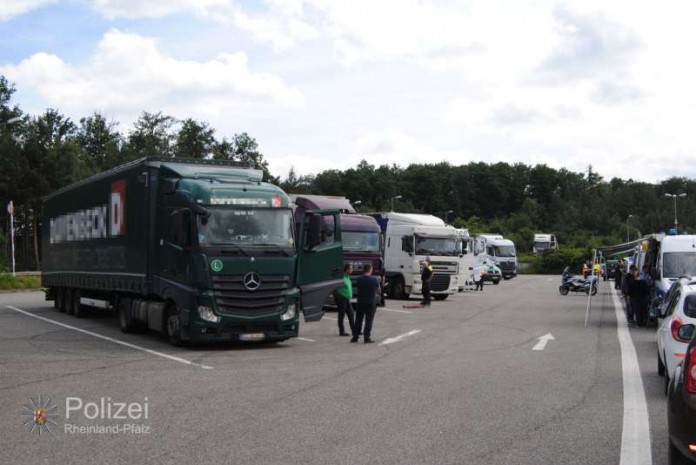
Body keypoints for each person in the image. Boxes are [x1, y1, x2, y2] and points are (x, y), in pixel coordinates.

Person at [352, 264, 381, 343]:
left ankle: (355, 336)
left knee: (358, 319)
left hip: (361, 301)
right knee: (369, 320)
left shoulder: (359, 279)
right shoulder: (374, 280)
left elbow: (358, 287)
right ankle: (366, 337)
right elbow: (379, 291)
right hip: (371, 302)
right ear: (370, 270)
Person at [334, 264, 355, 336]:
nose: (352, 270)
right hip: (341, 299)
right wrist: (340, 295)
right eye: (351, 269)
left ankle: (354, 330)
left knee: (351, 314)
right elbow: (336, 289)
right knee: (341, 315)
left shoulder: (348, 277)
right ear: (347, 270)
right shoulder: (342, 278)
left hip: (347, 299)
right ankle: (341, 331)